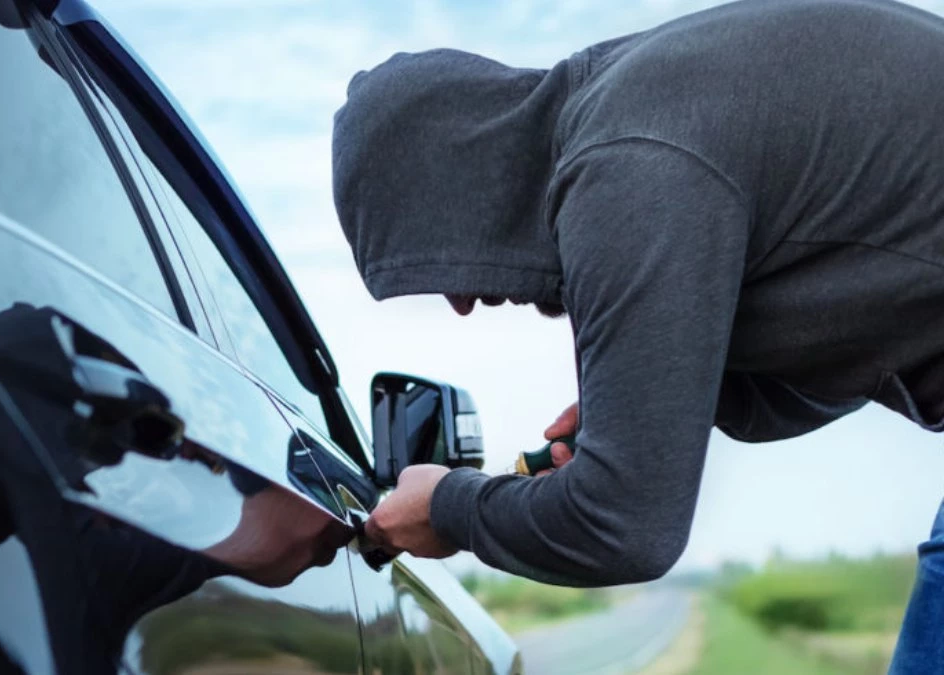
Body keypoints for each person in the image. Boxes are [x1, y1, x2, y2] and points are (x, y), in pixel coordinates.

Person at [329, 0, 944, 671]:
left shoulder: (627, 169)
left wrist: (450, 509)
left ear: (458, 182)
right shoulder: (637, 118)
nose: (463, 302)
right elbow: (856, 355)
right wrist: (673, 396)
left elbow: (623, 527)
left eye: (435, 258)